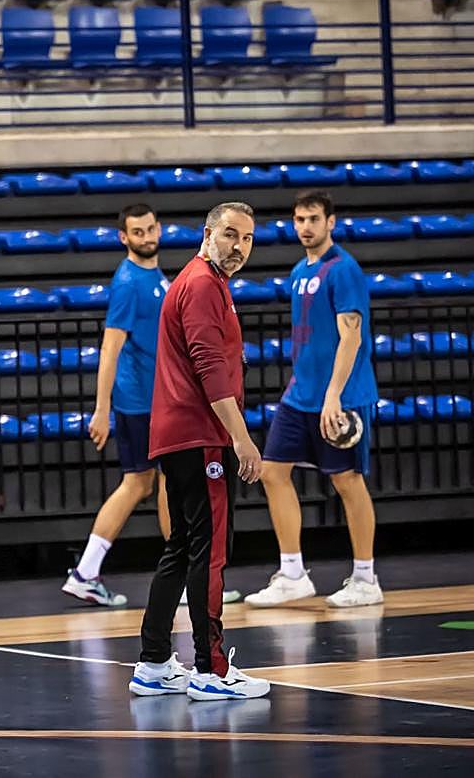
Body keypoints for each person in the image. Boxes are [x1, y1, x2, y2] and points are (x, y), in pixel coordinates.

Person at [129, 202, 270, 701]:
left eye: (248, 239)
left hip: (181, 433)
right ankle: (210, 669)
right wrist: (241, 437)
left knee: (183, 546)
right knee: (209, 551)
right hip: (200, 434)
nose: (239, 246)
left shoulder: (203, 282)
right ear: (207, 233)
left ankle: (153, 662)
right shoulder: (203, 285)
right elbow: (210, 368)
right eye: (230, 235)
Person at [245, 190, 382, 608]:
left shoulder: (344, 270)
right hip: (300, 395)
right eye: (299, 219)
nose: (305, 226)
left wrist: (334, 396)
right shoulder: (298, 271)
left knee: (346, 480)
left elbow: (351, 336)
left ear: (330, 222)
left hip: (341, 396)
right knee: (271, 471)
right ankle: (292, 573)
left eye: (313, 219)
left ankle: (365, 578)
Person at [62, 204, 171, 607]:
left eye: (150, 229)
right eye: (137, 232)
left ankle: (86, 572)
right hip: (141, 400)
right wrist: (101, 408)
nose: (146, 236)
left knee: (140, 482)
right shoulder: (129, 281)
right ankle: (180, 578)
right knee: (162, 481)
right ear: (124, 237)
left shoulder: (152, 276)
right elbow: (110, 346)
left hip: (151, 398)